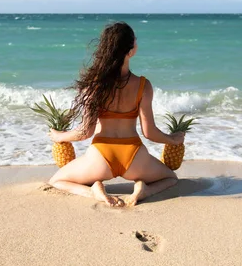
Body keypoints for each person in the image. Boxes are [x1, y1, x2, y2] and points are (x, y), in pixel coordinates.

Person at [48, 21, 184, 207]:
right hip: (135, 156)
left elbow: (85, 132)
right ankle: (144, 190)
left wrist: (59, 136)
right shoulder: (143, 86)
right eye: (135, 40)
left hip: (101, 157)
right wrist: (173, 139)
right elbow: (149, 133)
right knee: (171, 178)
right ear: (131, 51)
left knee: (57, 181)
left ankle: (93, 191)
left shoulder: (95, 86)